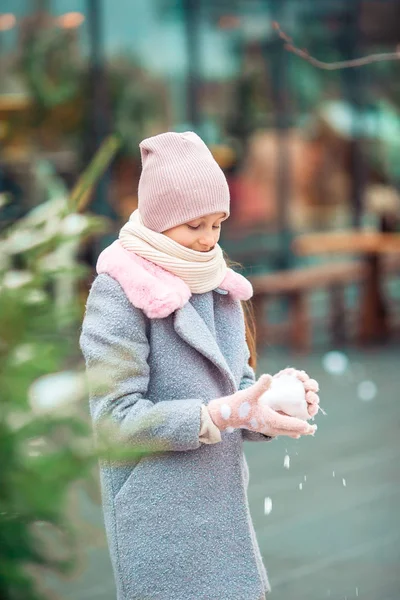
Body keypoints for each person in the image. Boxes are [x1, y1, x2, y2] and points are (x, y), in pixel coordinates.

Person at [80, 131, 320, 600]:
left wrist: (271, 403)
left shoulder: (217, 283)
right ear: (159, 218)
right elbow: (113, 420)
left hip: (223, 518)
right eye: (194, 226)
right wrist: (216, 416)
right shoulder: (119, 292)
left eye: (217, 225)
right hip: (159, 516)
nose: (208, 240)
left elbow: (238, 388)